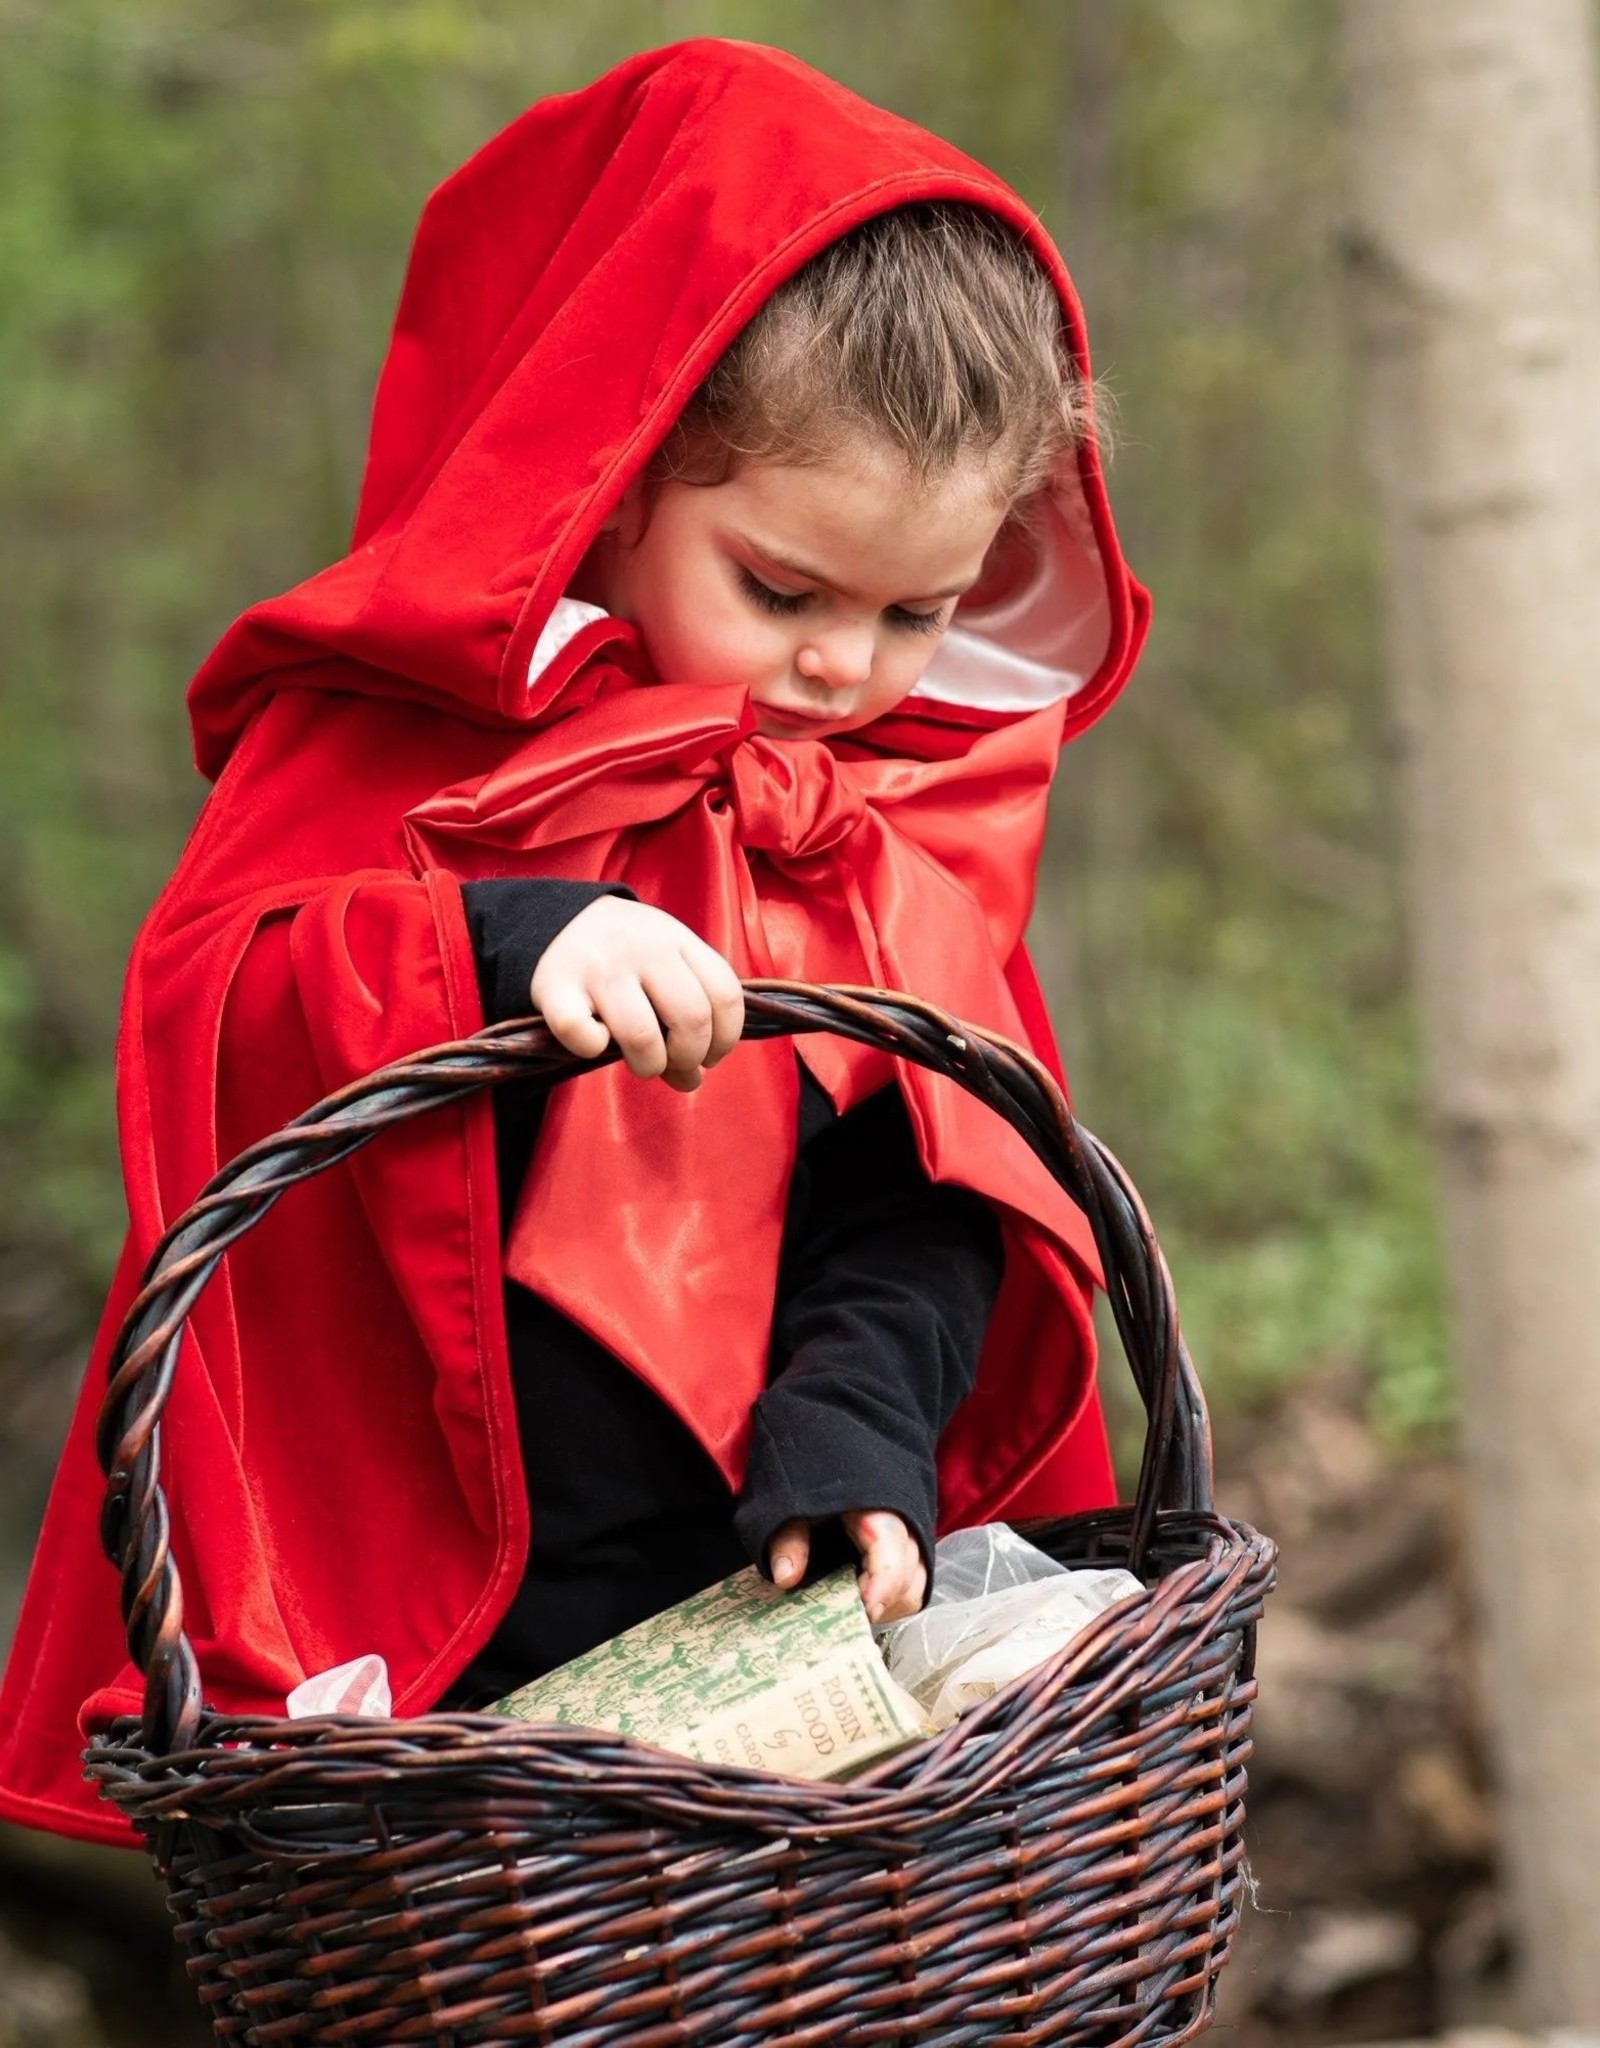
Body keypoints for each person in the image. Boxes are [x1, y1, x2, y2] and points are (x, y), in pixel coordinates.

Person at [0, 38, 1148, 1844]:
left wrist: (859, 1448)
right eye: (780, 589)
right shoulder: (400, 741)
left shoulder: (880, 832)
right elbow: (219, 1013)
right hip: (441, 1676)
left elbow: (935, 1202)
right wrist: (501, 943)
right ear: (611, 481)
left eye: (920, 612)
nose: (844, 671)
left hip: (768, 1657)